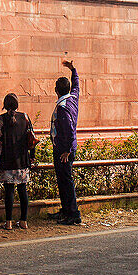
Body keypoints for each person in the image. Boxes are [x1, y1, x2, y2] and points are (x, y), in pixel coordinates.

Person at [0, 92, 35, 230]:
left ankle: (9, 222)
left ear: (5, 105)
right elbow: (31, 138)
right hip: (22, 160)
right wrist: (32, 156)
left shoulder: (3, 118)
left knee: (9, 191)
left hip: (7, 160)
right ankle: (24, 221)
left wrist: (4, 138)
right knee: (23, 191)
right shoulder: (25, 117)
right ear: (17, 105)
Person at [50, 59, 81, 225]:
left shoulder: (62, 106)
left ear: (56, 90)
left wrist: (67, 150)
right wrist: (73, 69)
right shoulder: (73, 98)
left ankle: (73, 214)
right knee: (63, 180)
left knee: (65, 181)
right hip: (66, 147)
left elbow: (68, 129)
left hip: (63, 150)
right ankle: (66, 210)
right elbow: (76, 84)